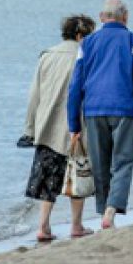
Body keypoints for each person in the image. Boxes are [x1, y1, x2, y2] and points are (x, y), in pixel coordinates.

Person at [67, 0, 133, 230]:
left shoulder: (86, 44)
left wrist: (73, 125)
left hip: (93, 110)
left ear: (102, 18)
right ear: (126, 17)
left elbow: (75, 85)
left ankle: (104, 212)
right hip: (124, 110)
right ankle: (110, 211)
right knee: (122, 162)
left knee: (100, 164)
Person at [24, 14, 97, 241]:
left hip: (47, 127)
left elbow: (34, 95)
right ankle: (76, 225)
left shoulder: (46, 56)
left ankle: (43, 227)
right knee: (78, 174)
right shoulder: (85, 56)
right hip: (77, 126)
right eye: (90, 35)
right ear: (80, 35)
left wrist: (29, 129)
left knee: (48, 180)